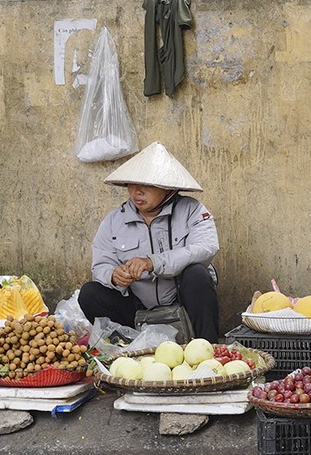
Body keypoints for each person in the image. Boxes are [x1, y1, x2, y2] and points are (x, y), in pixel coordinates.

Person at [78, 142, 220, 341]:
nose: (137, 191)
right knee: (89, 293)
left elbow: (206, 247)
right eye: (132, 184)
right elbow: (100, 264)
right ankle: (128, 350)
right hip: (137, 310)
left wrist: (153, 262)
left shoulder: (192, 210)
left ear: (167, 187)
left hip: (182, 304)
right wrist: (113, 275)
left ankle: (208, 349)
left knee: (197, 274)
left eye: (146, 185)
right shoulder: (114, 220)